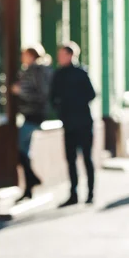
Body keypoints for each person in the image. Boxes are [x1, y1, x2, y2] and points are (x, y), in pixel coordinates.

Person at [50, 43, 96, 207]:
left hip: (83, 122)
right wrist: (60, 109)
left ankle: (90, 193)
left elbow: (91, 94)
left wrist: (74, 102)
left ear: (70, 55)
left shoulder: (81, 73)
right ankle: (73, 194)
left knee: (87, 158)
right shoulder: (58, 74)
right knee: (70, 159)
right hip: (68, 123)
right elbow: (52, 96)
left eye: (62, 54)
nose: (59, 58)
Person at [11, 46, 52, 202]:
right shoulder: (30, 70)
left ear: (31, 55)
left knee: (21, 149)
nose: (22, 57)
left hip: (34, 115)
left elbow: (41, 94)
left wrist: (19, 91)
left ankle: (32, 180)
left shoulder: (36, 71)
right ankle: (29, 187)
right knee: (24, 150)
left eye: (24, 54)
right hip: (30, 114)